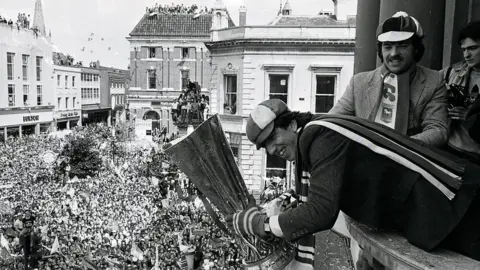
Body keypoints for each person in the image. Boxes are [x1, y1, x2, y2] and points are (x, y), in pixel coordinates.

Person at [225, 99, 480, 269]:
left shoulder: (319, 137)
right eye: (265, 146)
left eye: (273, 137)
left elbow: (322, 211)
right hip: (446, 202)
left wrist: (263, 225)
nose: (272, 149)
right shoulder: (320, 129)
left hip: (454, 204)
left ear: (291, 124)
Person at [330, 11, 448, 147]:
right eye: (387, 46)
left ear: (415, 49)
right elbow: (334, 122)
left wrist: (396, 148)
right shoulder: (358, 82)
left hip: (409, 160)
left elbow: (438, 130)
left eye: (402, 46)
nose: (394, 53)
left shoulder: (434, 81)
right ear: (380, 50)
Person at [441, 20, 480, 164]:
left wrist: (471, 117)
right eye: (464, 49)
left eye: (473, 48)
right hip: (449, 150)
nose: (466, 54)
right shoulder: (451, 73)